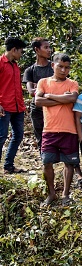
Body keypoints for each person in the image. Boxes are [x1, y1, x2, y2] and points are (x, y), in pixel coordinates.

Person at [35, 53, 79, 206]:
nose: (63, 70)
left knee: (69, 164)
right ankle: (51, 193)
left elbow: (72, 99)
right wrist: (62, 99)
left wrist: (50, 96)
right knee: (46, 163)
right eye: (60, 66)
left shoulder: (72, 83)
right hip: (49, 130)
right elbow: (38, 101)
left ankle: (66, 194)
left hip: (69, 130)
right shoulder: (43, 82)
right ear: (53, 66)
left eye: (67, 67)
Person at [0, 36, 27, 174]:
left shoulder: (15, 66)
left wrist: (22, 105)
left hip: (17, 107)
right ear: (14, 49)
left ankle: (8, 166)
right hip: (4, 106)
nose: (21, 55)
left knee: (18, 135)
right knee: (1, 136)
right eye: (20, 52)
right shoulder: (0, 63)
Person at [23, 37, 52, 151]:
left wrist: (39, 88)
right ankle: (45, 162)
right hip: (37, 110)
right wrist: (47, 89)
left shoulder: (54, 67)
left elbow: (60, 88)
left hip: (53, 108)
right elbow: (31, 92)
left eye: (49, 47)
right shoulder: (30, 70)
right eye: (46, 47)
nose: (49, 50)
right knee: (40, 137)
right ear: (37, 50)